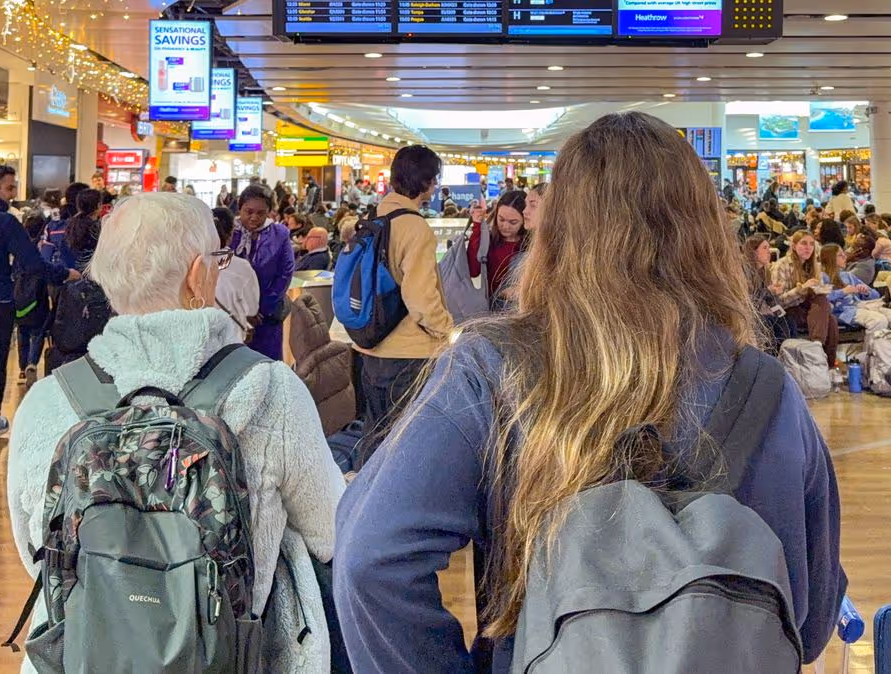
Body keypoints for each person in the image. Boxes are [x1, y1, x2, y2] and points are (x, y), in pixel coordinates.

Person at [333, 110, 844, 673]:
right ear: (706, 231)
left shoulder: (493, 368)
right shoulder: (768, 389)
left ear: (555, 231)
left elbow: (371, 558)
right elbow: (810, 618)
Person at [8, 192, 345, 670]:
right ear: (197, 275)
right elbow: (330, 532)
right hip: (230, 655)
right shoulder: (270, 389)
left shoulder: (50, 399)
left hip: (85, 654)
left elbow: (37, 549)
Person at [353, 144, 455, 464]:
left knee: (375, 438)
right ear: (426, 182)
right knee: (407, 446)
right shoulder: (415, 228)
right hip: (409, 354)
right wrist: (449, 332)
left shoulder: (375, 218)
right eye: (434, 179)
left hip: (372, 346)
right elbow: (421, 300)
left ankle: (364, 491)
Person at [0, 165, 76, 455]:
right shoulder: (5, 221)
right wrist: (64, 274)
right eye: (9, 187)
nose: (13, 193)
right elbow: (32, 263)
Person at [44, 189, 111, 373]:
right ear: (98, 206)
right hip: (94, 287)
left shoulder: (69, 226)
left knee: (70, 328)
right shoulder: (98, 229)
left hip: (69, 284)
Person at [231, 184, 294, 360]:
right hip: (233, 313)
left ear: (269, 212)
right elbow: (222, 271)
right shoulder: (229, 232)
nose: (254, 217)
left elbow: (285, 272)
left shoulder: (279, 234)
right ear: (240, 208)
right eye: (249, 211)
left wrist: (261, 308)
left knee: (267, 363)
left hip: (267, 315)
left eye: (261, 213)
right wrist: (242, 309)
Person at [772, 231, 841, 374]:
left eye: (811, 244)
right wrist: (802, 289)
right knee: (829, 320)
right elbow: (778, 302)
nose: (808, 248)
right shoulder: (782, 265)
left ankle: (819, 354)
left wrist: (819, 290)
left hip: (811, 311)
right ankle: (824, 362)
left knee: (828, 313)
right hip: (789, 310)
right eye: (803, 243)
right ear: (794, 246)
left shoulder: (814, 266)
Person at [818, 244, 891, 333]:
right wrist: (843, 292)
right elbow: (821, 298)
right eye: (840, 255)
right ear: (830, 259)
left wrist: (866, 292)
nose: (845, 257)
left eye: (843, 254)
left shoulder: (847, 275)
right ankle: (875, 343)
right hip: (842, 312)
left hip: (860, 306)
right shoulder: (821, 277)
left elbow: (876, 295)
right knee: (878, 321)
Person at [468, 190, 527, 310]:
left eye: (513, 222)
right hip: (491, 307)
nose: (505, 226)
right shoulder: (488, 239)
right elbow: (473, 271)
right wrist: (477, 228)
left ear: (525, 220)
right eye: (501, 219)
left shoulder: (532, 245)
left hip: (520, 308)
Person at [15, 213, 52, 386]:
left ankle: (22, 369)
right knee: (38, 333)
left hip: (20, 297)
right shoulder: (42, 248)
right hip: (39, 296)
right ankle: (32, 363)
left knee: (22, 332)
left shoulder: (18, 248)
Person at [212, 207, 260, 338]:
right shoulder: (242, 268)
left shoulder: (190, 264)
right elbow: (252, 309)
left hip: (199, 341)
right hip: (231, 339)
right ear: (231, 233)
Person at [744, 235, 792, 353]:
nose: (769, 252)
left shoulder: (764, 271)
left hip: (762, 311)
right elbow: (749, 299)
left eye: (769, 248)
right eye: (765, 248)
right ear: (753, 251)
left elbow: (769, 299)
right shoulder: (744, 270)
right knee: (769, 323)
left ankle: (787, 356)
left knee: (788, 321)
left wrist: (780, 312)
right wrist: (768, 291)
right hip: (749, 313)